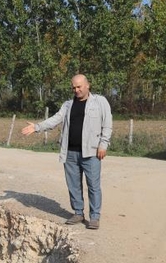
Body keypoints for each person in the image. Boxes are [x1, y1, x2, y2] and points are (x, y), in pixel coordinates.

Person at [21, 74, 112, 230]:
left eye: (79, 87)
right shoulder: (68, 105)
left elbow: (107, 124)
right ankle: (78, 212)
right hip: (70, 152)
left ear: (87, 85)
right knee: (73, 185)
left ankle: (94, 217)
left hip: (91, 153)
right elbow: (55, 119)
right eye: (73, 87)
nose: (76, 90)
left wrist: (103, 144)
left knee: (93, 185)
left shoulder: (100, 102)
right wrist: (37, 127)